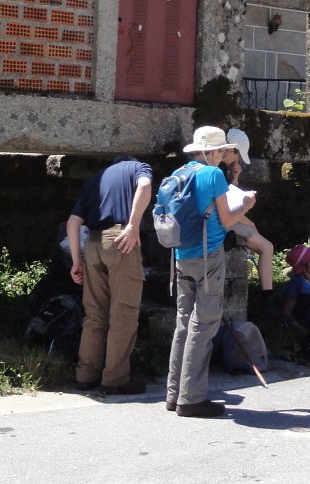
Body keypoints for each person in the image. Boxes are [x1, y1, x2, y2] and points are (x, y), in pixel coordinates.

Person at [166, 125, 256, 418]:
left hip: (181, 256)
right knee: (204, 325)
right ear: (214, 151)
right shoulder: (214, 175)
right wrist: (246, 205)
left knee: (183, 322)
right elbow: (228, 221)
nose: (222, 155)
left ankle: (174, 393)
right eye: (221, 150)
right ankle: (191, 398)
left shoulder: (181, 172)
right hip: (209, 256)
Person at [67, 155, 154, 394]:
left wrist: (76, 261)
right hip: (121, 240)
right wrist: (133, 225)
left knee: (94, 314)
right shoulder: (139, 167)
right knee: (123, 313)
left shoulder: (97, 178)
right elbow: (145, 186)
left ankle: (86, 375)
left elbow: (73, 222)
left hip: (92, 243)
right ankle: (115, 379)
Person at [221, 128, 277, 311]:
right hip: (219, 223)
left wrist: (234, 178)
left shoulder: (218, 168)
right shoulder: (216, 171)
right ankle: (268, 298)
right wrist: (249, 222)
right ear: (231, 149)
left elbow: (227, 196)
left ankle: (268, 295)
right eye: (237, 155)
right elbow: (225, 208)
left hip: (220, 220)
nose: (237, 160)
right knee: (267, 247)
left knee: (263, 242)